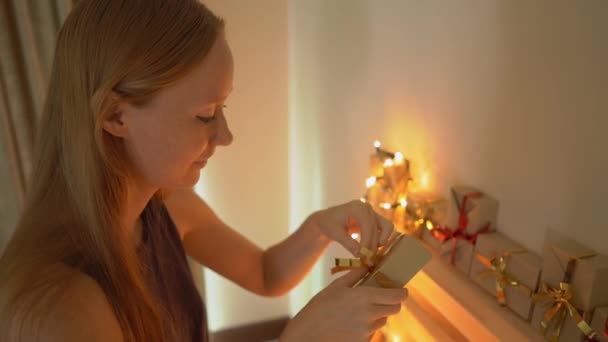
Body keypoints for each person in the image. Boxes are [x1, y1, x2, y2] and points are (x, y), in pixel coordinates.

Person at [0, 1, 407, 341]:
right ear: (115, 116)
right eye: (205, 115)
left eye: (221, 109)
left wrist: (319, 228)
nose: (225, 135)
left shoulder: (167, 206)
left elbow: (265, 274)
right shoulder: (61, 303)